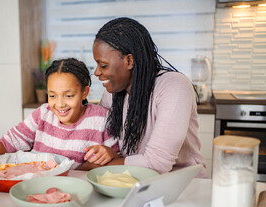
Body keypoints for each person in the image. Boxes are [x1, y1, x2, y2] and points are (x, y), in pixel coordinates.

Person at [0, 58, 119, 172]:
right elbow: (6, 143)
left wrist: (108, 153)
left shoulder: (101, 119)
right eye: (52, 95)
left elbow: (114, 157)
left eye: (69, 95)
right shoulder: (43, 114)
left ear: (85, 92)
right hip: (34, 185)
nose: (60, 103)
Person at [79, 17, 207, 177]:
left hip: (184, 184)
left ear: (129, 60)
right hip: (131, 179)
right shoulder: (111, 94)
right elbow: (102, 141)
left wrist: (91, 167)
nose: (97, 72)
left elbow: (157, 163)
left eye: (103, 65)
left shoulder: (174, 86)